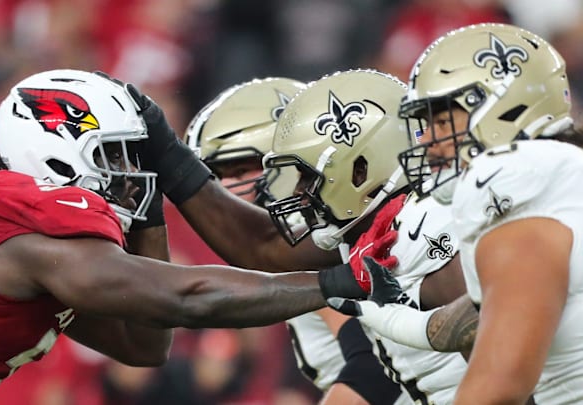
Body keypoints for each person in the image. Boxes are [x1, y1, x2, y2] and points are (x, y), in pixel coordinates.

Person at [0, 69, 371, 405]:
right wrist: (334, 282)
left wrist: (148, 215)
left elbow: (144, 345)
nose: (129, 174)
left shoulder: (17, 225)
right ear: (52, 151)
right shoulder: (36, 231)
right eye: (115, 156)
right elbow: (186, 297)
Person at [333, 23, 581, 404]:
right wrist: (395, 317)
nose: (429, 143)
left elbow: (501, 382)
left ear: (505, 106)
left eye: (443, 121)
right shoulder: (561, 171)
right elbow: (474, 320)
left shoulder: (505, 176)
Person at [185, 75, 401, 405]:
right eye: (217, 174)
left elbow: (374, 374)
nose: (224, 186)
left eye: (240, 168)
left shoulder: (320, 240)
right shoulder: (304, 239)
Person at [263, 69, 474, 404]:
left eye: (306, 177)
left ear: (360, 168)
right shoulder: (368, 232)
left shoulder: (423, 222)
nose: (299, 193)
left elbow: (494, 330)